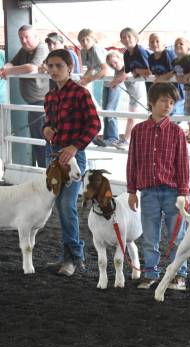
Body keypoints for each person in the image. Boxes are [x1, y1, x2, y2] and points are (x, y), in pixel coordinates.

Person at [42, 49, 101, 276]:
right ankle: (67, 256)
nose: (54, 70)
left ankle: (74, 257)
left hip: (73, 156)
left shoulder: (80, 93)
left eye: (59, 65)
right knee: (60, 206)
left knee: (66, 205)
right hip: (54, 154)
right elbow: (49, 123)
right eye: (51, 66)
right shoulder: (50, 96)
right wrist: (45, 129)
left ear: (69, 67)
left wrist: (75, 146)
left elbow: (95, 124)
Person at [126, 83, 190, 291]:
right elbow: (132, 161)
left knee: (177, 235)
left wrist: (184, 193)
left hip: (172, 191)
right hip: (148, 192)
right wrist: (131, 190)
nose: (168, 106)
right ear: (151, 103)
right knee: (150, 236)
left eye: (171, 102)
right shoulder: (138, 131)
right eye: (164, 101)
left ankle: (179, 274)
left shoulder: (176, 132)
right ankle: (151, 273)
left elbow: (182, 164)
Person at [0, 25, 49, 167]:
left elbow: (32, 68)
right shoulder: (24, 51)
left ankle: (46, 171)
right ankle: (42, 170)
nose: (24, 40)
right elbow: (11, 63)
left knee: (42, 138)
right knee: (37, 138)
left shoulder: (42, 48)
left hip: (43, 102)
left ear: (36, 36)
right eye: (21, 37)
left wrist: (7, 71)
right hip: (33, 102)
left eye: (27, 37)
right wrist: (6, 68)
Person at [77, 28, 116, 146]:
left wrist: (88, 80)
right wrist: (82, 80)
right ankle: (107, 136)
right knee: (105, 107)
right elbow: (90, 69)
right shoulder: (84, 51)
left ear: (93, 39)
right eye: (82, 40)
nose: (84, 42)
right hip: (105, 81)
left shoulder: (96, 49)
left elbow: (105, 69)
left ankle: (113, 137)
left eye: (87, 39)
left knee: (109, 108)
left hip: (113, 80)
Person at [115, 27, 150, 145]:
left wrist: (137, 70)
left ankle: (129, 138)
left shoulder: (140, 51)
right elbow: (129, 70)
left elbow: (149, 70)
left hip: (152, 84)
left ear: (136, 38)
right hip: (144, 85)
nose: (127, 39)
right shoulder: (126, 54)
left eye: (129, 36)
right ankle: (132, 138)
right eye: (124, 37)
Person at [146, 33, 181, 103]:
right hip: (162, 94)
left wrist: (161, 78)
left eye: (157, 41)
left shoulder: (169, 54)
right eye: (152, 42)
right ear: (149, 45)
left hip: (174, 93)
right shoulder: (150, 58)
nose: (154, 44)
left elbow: (177, 70)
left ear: (164, 44)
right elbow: (154, 73)